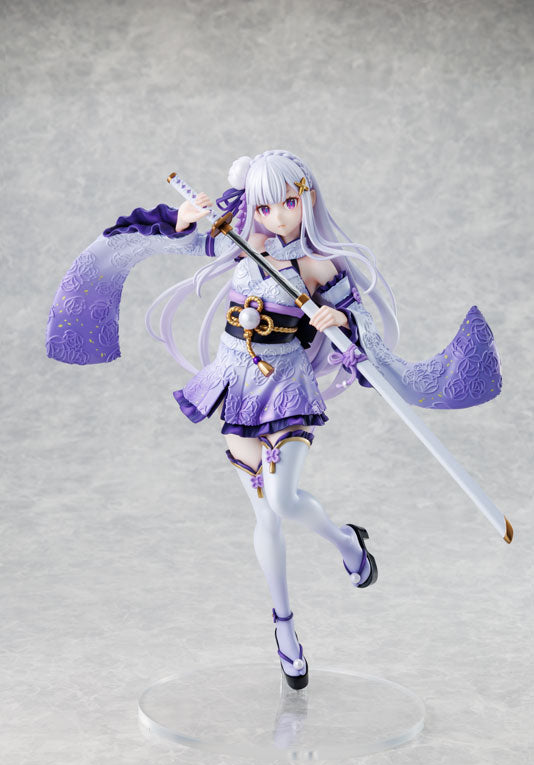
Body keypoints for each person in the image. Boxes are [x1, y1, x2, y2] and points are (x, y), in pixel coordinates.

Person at [46, 150, 502, 690]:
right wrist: (182, 219)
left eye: (288, 202)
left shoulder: (317, 264)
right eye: (265, 206)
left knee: (284, 500)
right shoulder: (237, 239)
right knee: (265, 518)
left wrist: (339, 320)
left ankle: (346, 542)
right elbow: (175, 239)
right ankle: (285, 630)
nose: (278, 217)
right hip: (237, 385)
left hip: (285, 388)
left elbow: (359, 326)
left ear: (306, 197)